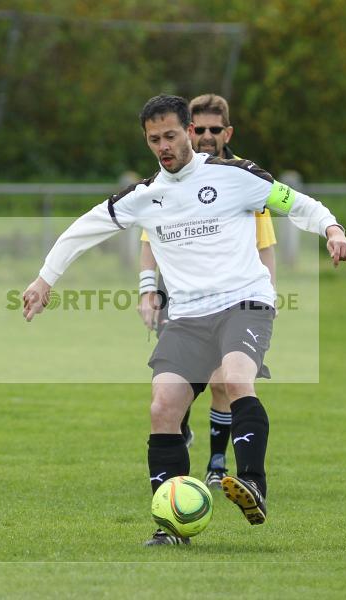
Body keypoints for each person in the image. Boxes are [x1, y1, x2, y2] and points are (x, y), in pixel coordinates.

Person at [22, 94, 346, 545]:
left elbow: (297, 203)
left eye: (171, 136)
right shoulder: (145, 196)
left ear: (190, 133)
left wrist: (332, 229)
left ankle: (252, 482)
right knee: (163, 406)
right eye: (154, 139)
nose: (164, 146)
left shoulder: (235, 177)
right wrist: (44, 279)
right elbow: (83, 229)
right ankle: (171, 526)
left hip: (244, 302)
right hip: (187, 316)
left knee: (236, 380)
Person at [137, 93, 277, 491]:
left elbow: (264, 243)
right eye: (203, 128)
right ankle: (178, 443)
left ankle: (219, 464)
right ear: (190, 129)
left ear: (225, 132)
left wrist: (269, 293)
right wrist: (148, 290)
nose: (209, 136)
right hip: (180, 297)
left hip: (234, 296)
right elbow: (148, 238)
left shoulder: (237, 179)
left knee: (225, 379)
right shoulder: (164, 185)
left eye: (217, 130)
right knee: (168, 397)